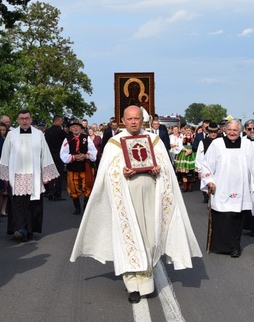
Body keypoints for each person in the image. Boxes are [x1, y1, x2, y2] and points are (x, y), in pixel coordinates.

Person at [70, 106, 202, 303]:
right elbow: (106, 173)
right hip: (125, 197)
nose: (133, 122)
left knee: (149, 237)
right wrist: (121, 172)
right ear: (123, 120)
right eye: (129, 118)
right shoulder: (114, 143)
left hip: (151, 196)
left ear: (142, 120)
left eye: (137, 118)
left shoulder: (154, 141)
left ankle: (146, 283)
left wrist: (159, 169)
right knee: (128, 237)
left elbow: (166, 168)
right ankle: (132, 285)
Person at [200, 120, 254, 257]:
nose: (232, 133)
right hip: (222, 187)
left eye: (235, 130)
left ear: (240, 131)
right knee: (224, 217)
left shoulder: (247, 145)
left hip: (241, 188)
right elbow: (206, 164)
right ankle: (223, 246)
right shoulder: (217, 144)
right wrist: (209, 181)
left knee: (237, 218)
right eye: (229, 130)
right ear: (225, 130)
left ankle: (235, 246)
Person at [0, 109, 59, 242]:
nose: (24, 121)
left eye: (27, 118)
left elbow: (45, 154)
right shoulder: (11, 135)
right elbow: (5, 155)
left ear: (30, 120)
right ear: (17, 121)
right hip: (16, 174)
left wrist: (46, 175)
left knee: (32, 204)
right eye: (21, 118)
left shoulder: (39, 135)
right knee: (17, 203)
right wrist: (5, 175)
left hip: (34, 174)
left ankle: (29, 230)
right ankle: (20, 229)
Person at [60, 118, 97, 215]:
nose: (75, 128)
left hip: (86, 167)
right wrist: (74, 157)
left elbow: (93, 151)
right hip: (73, 167)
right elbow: (63, 154)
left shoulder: (86, 138)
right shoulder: (67, 139)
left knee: (87, 186)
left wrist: (85, 155)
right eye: (73, 127)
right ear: (70, 129)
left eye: (77, 126)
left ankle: (86, 207)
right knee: (73, 188)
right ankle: (77, 207)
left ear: (81, 128)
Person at [44, 115, 68, 201]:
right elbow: (67, 139)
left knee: (51, 174)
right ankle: (57, 194)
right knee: (59, 175)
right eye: (61, 121)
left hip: (50, 155)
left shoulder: (47, 131)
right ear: (57, 121)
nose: (62, 123)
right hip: (59, 155)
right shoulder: (60, 132)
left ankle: (50, 192)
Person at [175, 125, 196, 192]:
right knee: (184, 171)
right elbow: (179, 145)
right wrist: (186, 150)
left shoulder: (194, 137)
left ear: (191, 131)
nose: (188, 132)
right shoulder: (181, 137)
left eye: (189, 130)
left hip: (192, 154)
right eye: (186, 130)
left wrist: (191, 151)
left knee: (191, 171)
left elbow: (196, 145)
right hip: (184, 153)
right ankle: (185, 186)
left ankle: (190, 185)